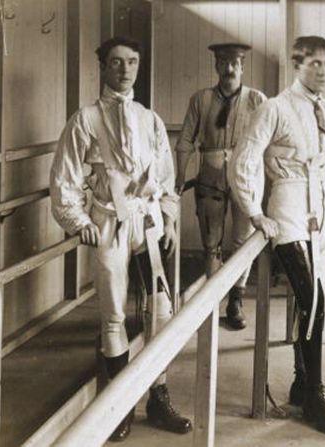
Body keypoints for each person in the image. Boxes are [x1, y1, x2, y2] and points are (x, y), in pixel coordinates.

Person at [50, 36, 192, 441]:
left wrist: (167, 217)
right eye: (116, 62)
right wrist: (78, 221)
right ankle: (119, 405)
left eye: (132, 62)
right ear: (103, 67)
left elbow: (165, 177)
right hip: (109, 223)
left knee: (162, 312)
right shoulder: (85, 120)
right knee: (113, 314)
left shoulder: (150, 119)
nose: (125, 69)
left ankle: (157, 396)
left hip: (146, 224)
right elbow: (65, 178)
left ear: (138, 66)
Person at [228, 35, 325, 437]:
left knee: (314, 300)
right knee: (312, 302)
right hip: (288, 209)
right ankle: (313, 396)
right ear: (296, 64)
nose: (322, 71)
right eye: (314, 63)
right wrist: (254, 212)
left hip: (320, 206)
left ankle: (303, 383)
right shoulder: (274, 108)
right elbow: (243, 160)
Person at [174, 43, 268, 330]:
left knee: (244, 240)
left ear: (242, 67)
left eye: (235, 63)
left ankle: (236, 299)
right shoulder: (201, 99)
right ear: (216, 66)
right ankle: (211, 301)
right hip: (211, 172)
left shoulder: (257, 100)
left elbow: (270, 141)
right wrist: (180, 176)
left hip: (247, 172)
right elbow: (186, 141)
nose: (229, 68)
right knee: (211, 241)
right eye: (223, 62)